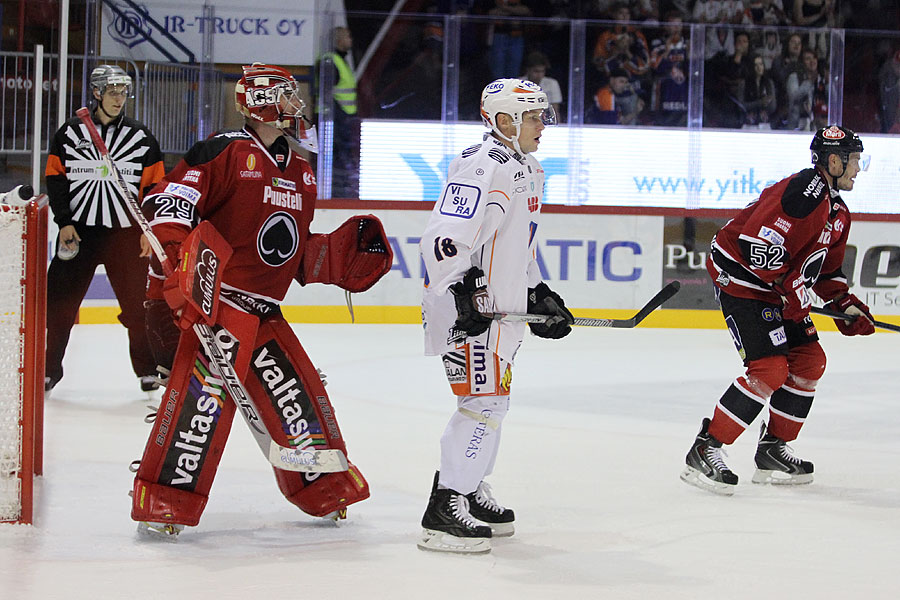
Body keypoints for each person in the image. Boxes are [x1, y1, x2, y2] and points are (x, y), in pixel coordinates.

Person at [130, 63, 392, 539]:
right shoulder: (223, 150)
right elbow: (172, 205)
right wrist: (173, 252)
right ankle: (165, 502)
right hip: (220, 307)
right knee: (200, 410)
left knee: (298, 395)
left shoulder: (302, 171)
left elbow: (289, 248)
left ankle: (324, 489)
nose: (297, 105)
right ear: (262, 102)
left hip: (265, 311)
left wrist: (330, 259)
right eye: (288, 96)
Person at [417, 78, 571, 554]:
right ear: (504, 121)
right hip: (470, 313)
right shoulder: (480, 165)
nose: (542, 125)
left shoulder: (527, 168)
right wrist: (465, 292)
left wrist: (536, 291)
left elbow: (515, 243)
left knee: (494, 405)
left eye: (542, 116)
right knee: (482, 405)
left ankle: (471, 489)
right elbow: (442, 238)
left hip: (501, 315)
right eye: (533, 117)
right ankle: (446, 506)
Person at [681, 125, 874, 496]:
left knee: (809, 361)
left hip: (777, 289)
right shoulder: (805, 191)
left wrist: (844, 303)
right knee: (769, 369)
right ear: (833, 161)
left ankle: (772, 450)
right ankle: (705, 449)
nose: (856, 169)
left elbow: (826, 270)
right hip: (745, 283)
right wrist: (789, 287)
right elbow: (757, 247)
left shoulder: (838, 212)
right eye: (853, 160)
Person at [43, 64, 164, 395]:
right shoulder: (69, 134)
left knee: (139, 307)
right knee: (60, 305)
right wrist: (64, 221)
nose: (118, 98)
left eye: (123, 92)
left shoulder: (141, 137)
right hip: (79, 233)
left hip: (126, 236)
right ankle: (49, 369)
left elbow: (156, 187)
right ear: (96, 93)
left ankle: (147, 369)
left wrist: (146, 228)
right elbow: (55, 179)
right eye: (112, 92)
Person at [316, 26, 360, 198]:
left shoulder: (339, 60)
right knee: (335, 159)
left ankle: (340, 190)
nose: (351, 40)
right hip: (333, 118)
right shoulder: (331, 61)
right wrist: (340, 115)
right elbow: (327, 92)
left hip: (340, 118)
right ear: (339, 39)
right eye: (348, 36)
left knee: (341, 159)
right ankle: (335, 193)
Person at [521, 51, 563, 121]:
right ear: (528, 70)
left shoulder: (552, 83)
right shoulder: (518, 83)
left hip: (546, 120)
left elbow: (555, 110)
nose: (539, 75)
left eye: (542, 71)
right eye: (536, 71)